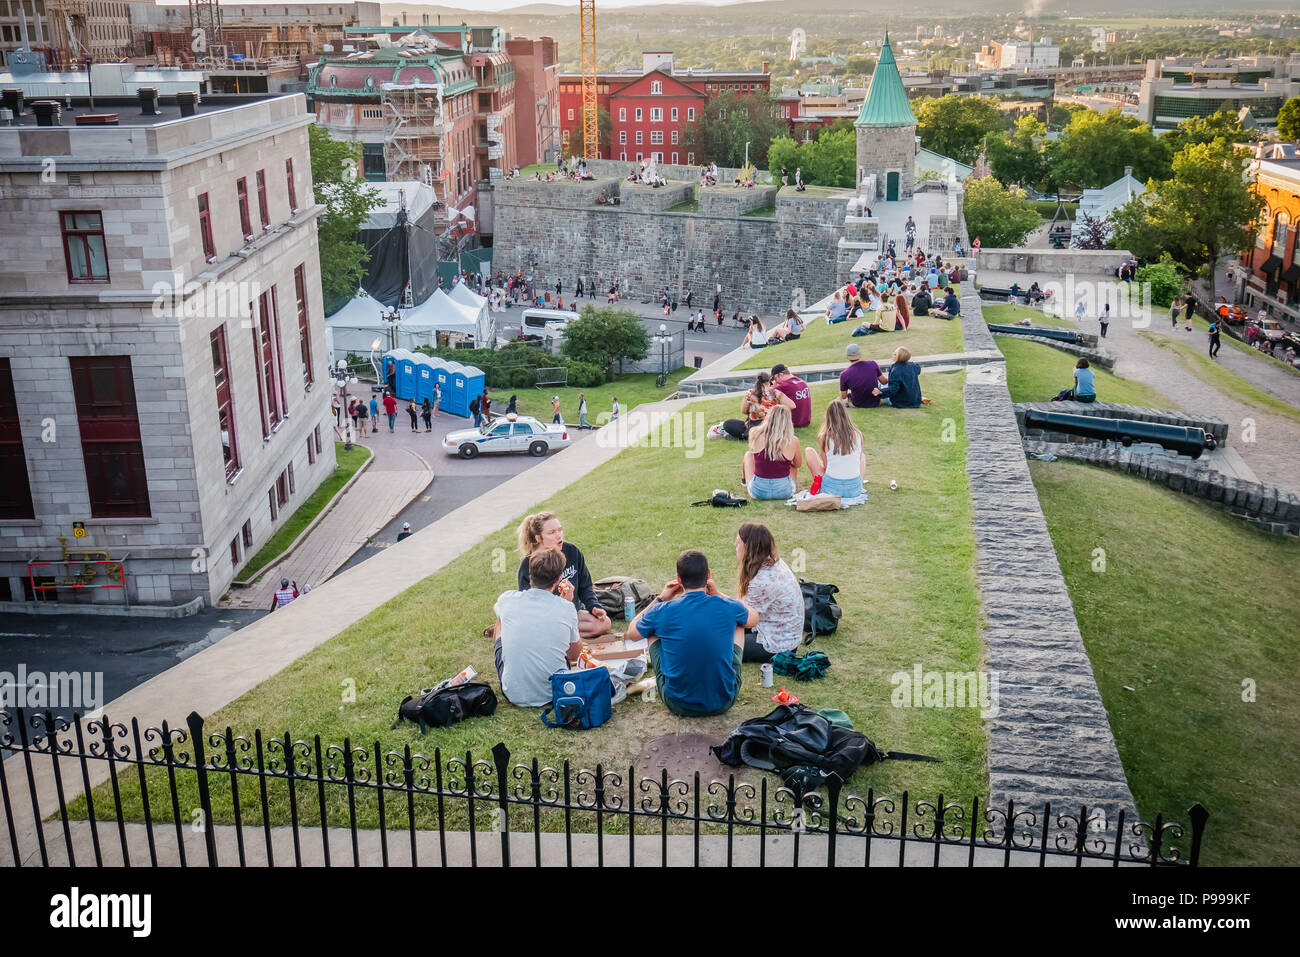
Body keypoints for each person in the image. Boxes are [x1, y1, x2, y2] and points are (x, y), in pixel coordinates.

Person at [626, 550, 756, 717]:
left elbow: (633, 633)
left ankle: (672, 675)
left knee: (651, 629)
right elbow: (753, 617)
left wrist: (660, 598)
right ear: (708, 575)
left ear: (678, 579)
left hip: (678, 704)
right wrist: (719, 595)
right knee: (739, 623)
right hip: (723, 702)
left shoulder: (661, 610)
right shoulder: (727, 606)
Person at [493, 548, 583, 708]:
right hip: (555, 690)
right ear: (559, 579)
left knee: (500, 619)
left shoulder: (507, 599)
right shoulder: (566, 608)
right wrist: (567, 604)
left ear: (530, 574)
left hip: (513, 693)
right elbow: (574, 655)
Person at [516, 512, 612, 639]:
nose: (558, 535)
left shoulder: (572, 551)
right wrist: (561, 603)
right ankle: (566, 637)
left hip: (572, 614)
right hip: (546, 619)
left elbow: (586, 586)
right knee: (542, 631)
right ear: (538, 538)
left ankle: (563, 636)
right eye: (551, 532)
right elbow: (530, 605)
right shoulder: (529, 564)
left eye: (560, 530)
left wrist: (594, 606)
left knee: (604, 623)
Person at [734, 524, 804, 662]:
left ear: (749, 548)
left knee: (721, 643)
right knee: (725, 629)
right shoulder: (772, 562)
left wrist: (716, 600)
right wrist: (718, 595)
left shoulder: (762, 580)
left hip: (778, 644)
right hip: (783, 632)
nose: (734, 544)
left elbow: (743, 616)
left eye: (738, 541)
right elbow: (742, 605)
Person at [805, 399, 866, 499]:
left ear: (828, 416)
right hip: (854, 490)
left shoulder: (823, 437)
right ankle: (859, 483)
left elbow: (826, 465)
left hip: (831, 489)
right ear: (845, 415)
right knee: (862, 456)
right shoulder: (858, 434)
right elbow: (857, 460)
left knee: (809, 451)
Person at [744, 405, 801, 499]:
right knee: (792, 463)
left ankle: (744, 480)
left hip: (758, 492)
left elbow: (754, 452)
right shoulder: (793, 440)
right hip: (785, 492)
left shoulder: (754, 432)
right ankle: (789, 484)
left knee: (748, 455)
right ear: (787, 421)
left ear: (769, 417)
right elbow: (798, 464)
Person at [839, 342, 882, 408]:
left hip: (857, 404)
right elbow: (884, 381)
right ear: (860, 355)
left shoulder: (844, 374)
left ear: (847, 357)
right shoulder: (873, 364)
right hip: (875, 402)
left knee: (839, 399)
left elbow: (843, 396)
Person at [769, 363, 811, 428]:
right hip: (806, 421)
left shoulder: (784, 386)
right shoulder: (802, 382)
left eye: (775, 378)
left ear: (780, 375)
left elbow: (767, 394)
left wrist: (773, 386)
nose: (775, 381)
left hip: (793, 423)